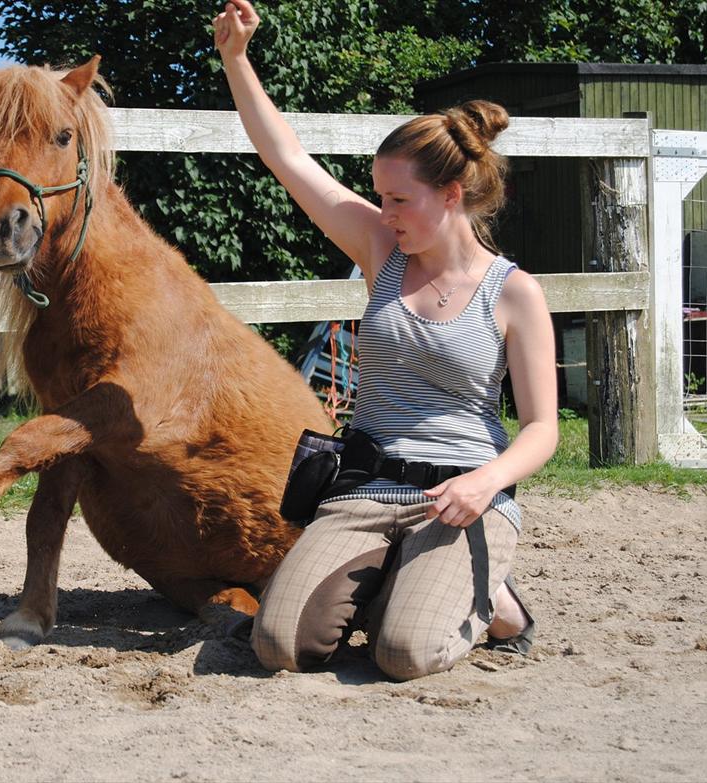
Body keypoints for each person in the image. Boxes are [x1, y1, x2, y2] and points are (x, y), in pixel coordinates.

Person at [213, 0, 558, 680]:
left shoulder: (515, 292)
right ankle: (402, 576)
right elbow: (286, 158)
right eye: (380, 197)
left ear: (452, 193)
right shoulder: (380, 248)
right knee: (279, 643)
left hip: (462, 497)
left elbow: (543, 428)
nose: (386, 212)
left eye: (401, 200)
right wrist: (236, 59)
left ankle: (496, 602)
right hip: (366, 487)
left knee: (405, 653)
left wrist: (487, 482)